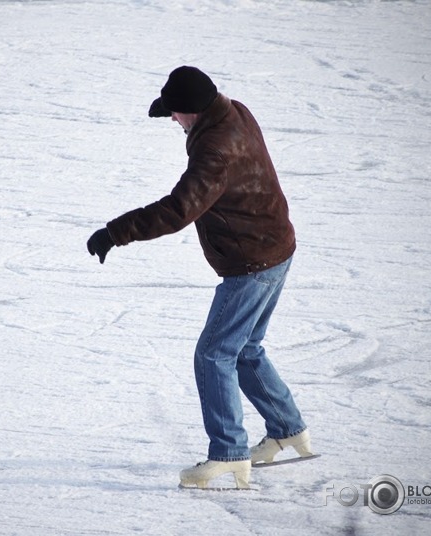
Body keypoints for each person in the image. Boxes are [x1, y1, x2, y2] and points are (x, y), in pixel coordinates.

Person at [87, 66, 313, 489]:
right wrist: (174, 106)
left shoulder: (215, 149)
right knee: (244, 348)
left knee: (214, 354)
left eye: (176, 113)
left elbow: (178, 209)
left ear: (193, 111)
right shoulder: (233, 112)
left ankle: (228, 452)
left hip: (251, 263)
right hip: (275, 247)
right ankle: (287, 428)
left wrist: (115, 232)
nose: (173, 120)